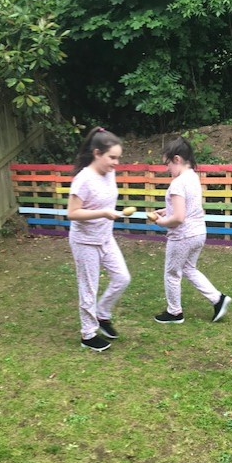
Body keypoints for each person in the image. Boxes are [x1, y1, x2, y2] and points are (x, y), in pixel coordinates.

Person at [152, 136, 232, 324]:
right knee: (189, 268)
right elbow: (188, 206)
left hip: (182, 236)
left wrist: (161, 222)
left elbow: (179, 218)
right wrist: (166, 210)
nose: (167, 169)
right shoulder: (193, 177)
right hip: (198, 233)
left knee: (172, 273)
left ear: (177, 159)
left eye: (167, 164)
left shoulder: (177, 183)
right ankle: (218, 299)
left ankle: (174, 313)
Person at [67, 127, 131, 352]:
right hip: (85, 241)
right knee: (88, 289)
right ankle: (88, 334)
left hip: (105, 237)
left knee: (122, 278)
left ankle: (102, 314)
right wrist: (103, 213)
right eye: (112, 157)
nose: (116, 163)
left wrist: (108, 213)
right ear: (97, 153)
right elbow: (72, 213)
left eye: (118, 158)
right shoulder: (83, 179)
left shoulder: (109, 173)